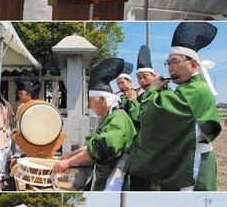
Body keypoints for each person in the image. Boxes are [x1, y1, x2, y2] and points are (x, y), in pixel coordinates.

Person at [125, 22, 221, 192]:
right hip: (185, 158)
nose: (170, 68)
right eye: (168, 64)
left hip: (193, 162)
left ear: (193, 65)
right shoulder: (187, 88)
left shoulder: (195, 90)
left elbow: (155, 115)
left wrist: (153, 91)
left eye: (175, 62)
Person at [53, 58, 136, 191]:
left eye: (92, 102)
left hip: (115, 180)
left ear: (103, 100)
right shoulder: (111, 117)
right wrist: (71, 154)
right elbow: (94, 145)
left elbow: (100, 148)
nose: (91, 106)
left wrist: (68, 162)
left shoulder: (119, 118)